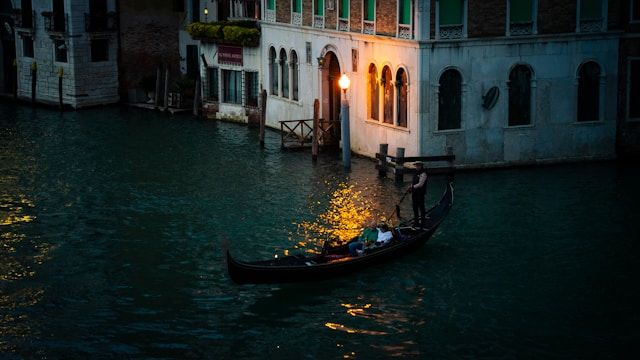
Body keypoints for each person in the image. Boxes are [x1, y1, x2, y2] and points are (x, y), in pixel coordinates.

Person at [408, 162, 428, 228]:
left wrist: (412, 187)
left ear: (421, 166)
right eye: (416, 166)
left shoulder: (423, 174)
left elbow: (420, 184)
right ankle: (416, 222)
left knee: (421, 208)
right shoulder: (415, 173)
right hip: (414, 193)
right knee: (415, 208)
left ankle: (423, 222)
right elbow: (413, 182)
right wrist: (410, 187)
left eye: (418, 166)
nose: (417, 167)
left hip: (420, 194)